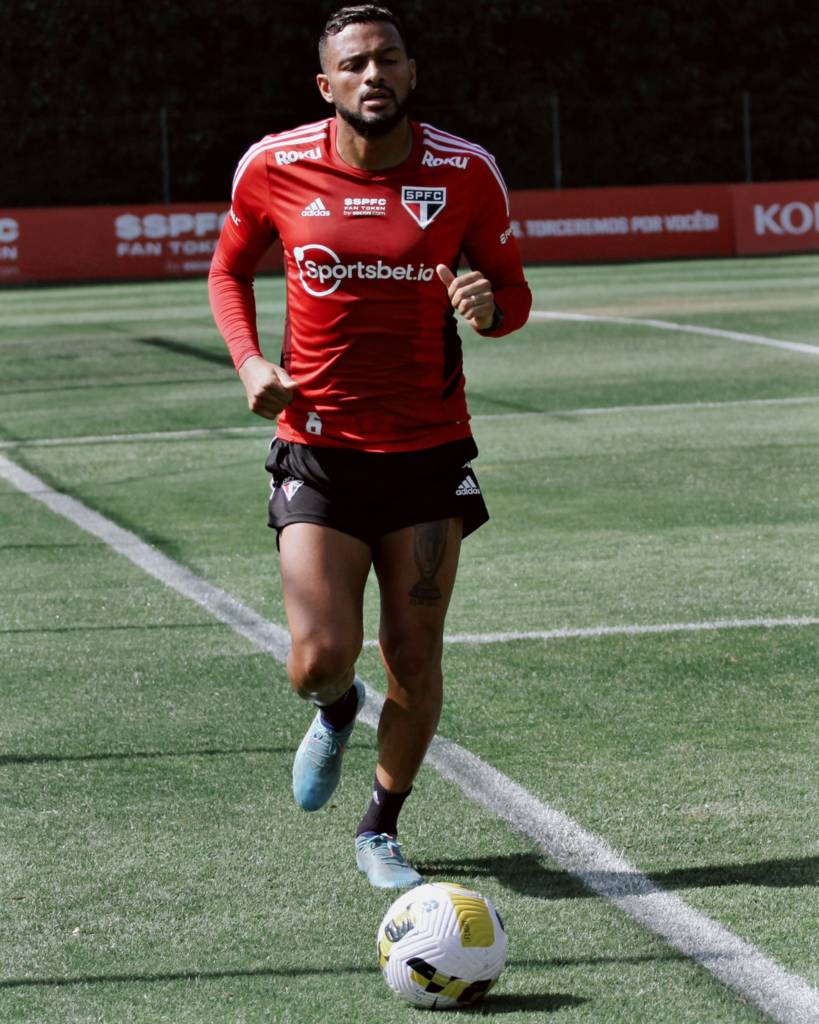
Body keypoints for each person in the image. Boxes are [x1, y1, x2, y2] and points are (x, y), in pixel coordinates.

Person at [208, 3, 531, 889]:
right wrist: (248, 362)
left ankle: (380, 826)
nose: (372, 75)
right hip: (319, 450)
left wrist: (489, 309)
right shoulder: (273, 165)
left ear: (412, 72)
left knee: (415, 655)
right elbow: (228, 268)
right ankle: (336, 706)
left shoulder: (466, 171)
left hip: (427, 454)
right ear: (326, 85)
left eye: (387, 59)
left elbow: (511, 293)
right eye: (353, 64)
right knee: (317, 659)